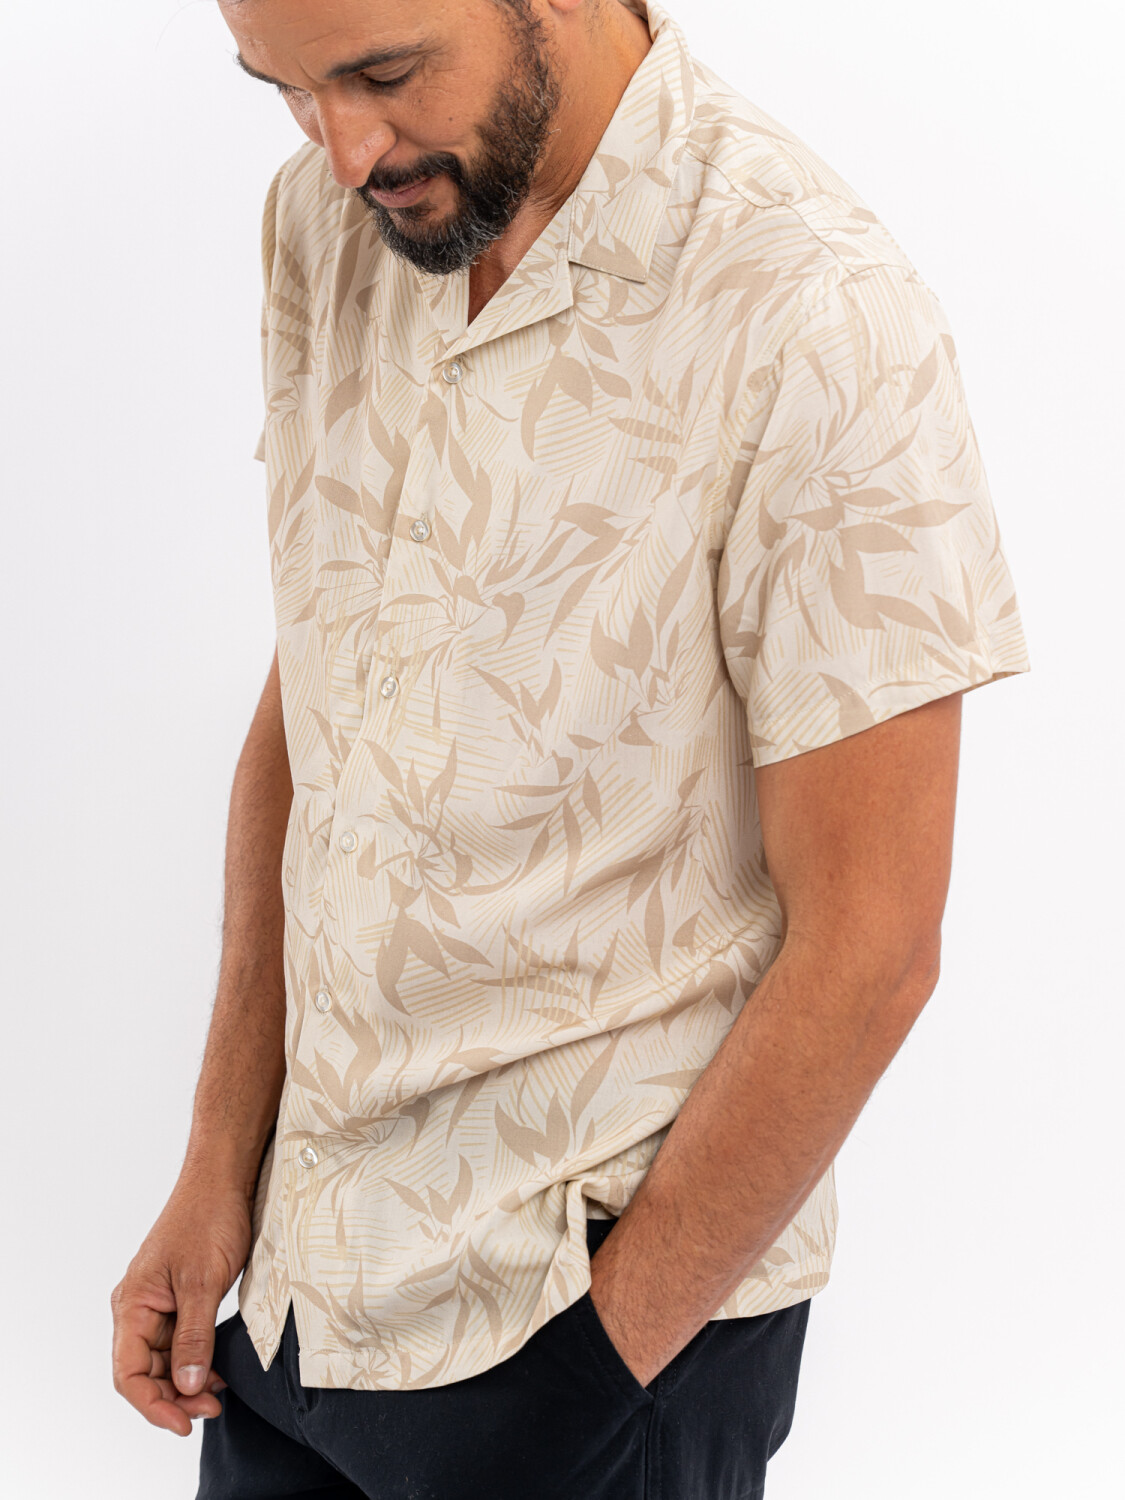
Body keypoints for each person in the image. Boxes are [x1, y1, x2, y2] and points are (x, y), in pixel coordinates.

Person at [110, 0, 1031, 1495]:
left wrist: (598, 1365)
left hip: (579, 1319)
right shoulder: (329, 226)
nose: (343, 150)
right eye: (284, 90)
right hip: (298, 1289)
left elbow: (872, 945)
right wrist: (219, 1165)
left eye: (383, 72)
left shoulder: (815, 310)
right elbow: (322, 693)